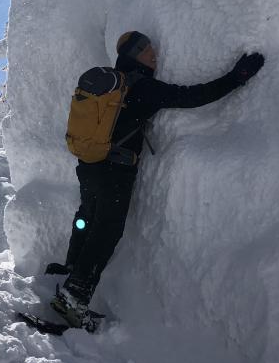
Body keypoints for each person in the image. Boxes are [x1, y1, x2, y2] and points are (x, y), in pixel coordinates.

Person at [48, 30, 265, 330]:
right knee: (106, 231)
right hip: (115, 171)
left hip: (89, 165)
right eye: (148, 50)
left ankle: (70, 269)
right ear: (137, 55)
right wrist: (236, 77)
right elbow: (192, 96)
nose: (154, 54)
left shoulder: (112, 84)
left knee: (87, 217)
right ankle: (75, 295)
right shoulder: (142, 86)